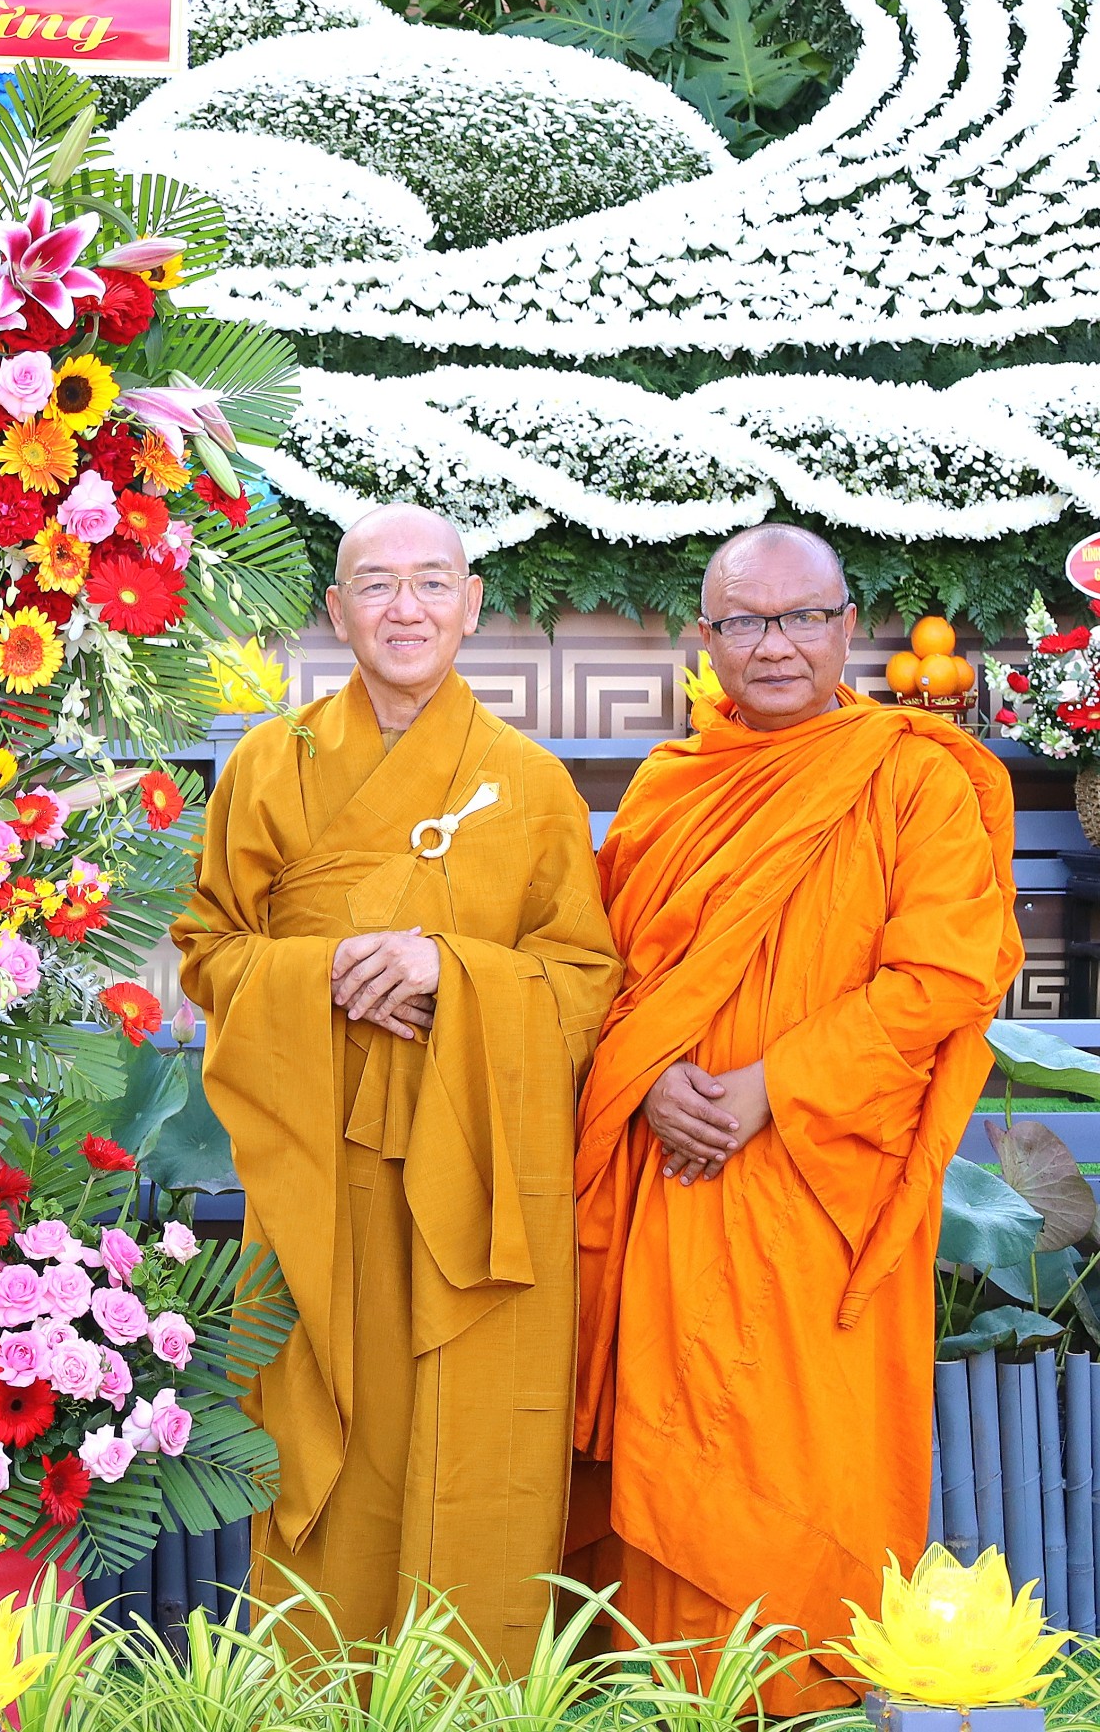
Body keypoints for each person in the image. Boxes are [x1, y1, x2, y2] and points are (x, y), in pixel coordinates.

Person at [569, 524, 1018, 1711]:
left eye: (803, 617)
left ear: (848, 624)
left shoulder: (912, 775)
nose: (776, 646)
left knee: (800, 1455)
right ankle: (659, 1692)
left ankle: (807, 1689)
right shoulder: (669, 790)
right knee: (670, 1450)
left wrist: (770, 1084)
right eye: (746, 622)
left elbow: (943, 976)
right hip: (672, 1171)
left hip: (820, 1182)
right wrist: (648, 1069)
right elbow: (600, 975)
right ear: (705, 639)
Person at [171, 503, 620, 1673]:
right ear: (335, 612)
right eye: (375, 585)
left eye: (432, 582)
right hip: (317, 1154)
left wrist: (448, 971)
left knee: (478, 1423)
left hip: (478, 1162)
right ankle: (315, 1686)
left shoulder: (529, 782)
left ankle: (478, 1688)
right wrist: (321, 976)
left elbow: (584, 980)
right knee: (335, 1409)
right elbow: (210, 950)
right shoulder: (270, 763)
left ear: (473, 606)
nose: (405, 607)